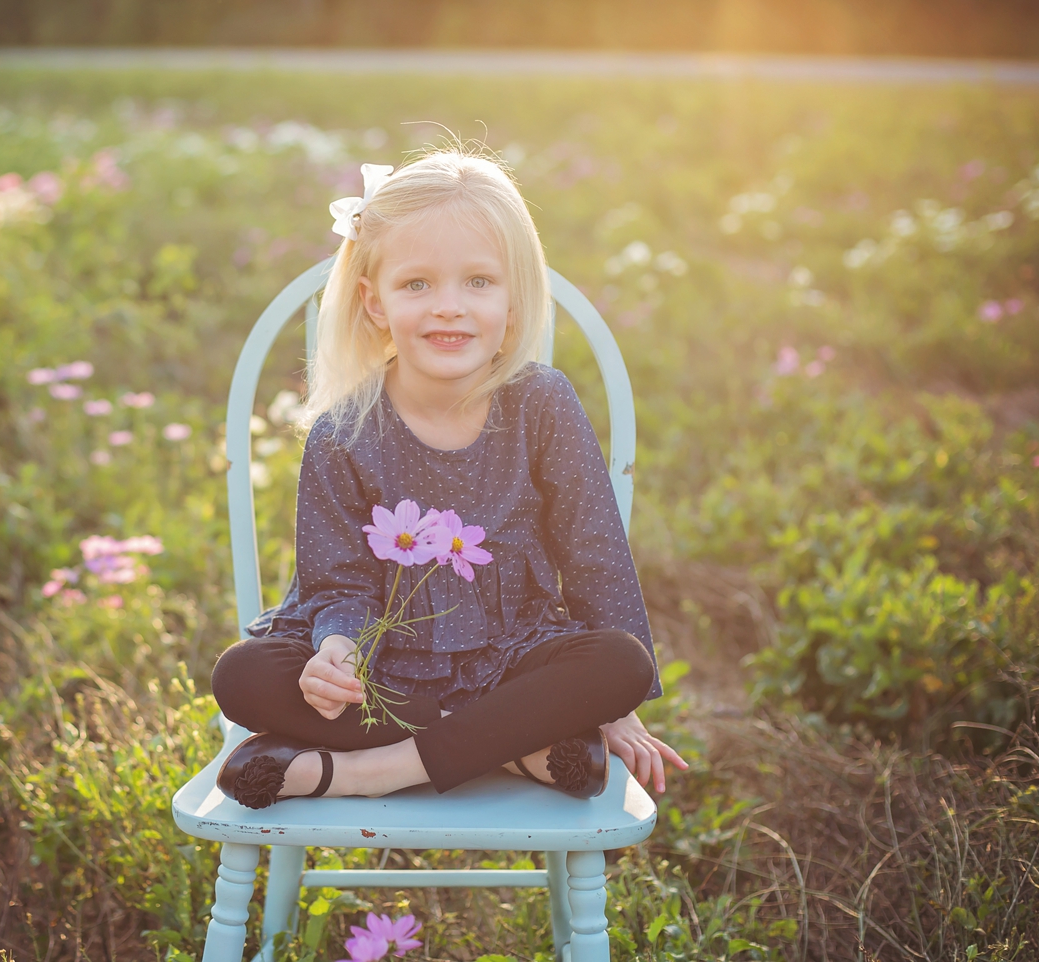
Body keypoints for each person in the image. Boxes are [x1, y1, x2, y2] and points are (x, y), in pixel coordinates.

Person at [212, 149, 687, 809]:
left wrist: (620, 706)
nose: (449, 309)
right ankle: (519, 745)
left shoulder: (541, 404)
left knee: (621, 666)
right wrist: (338, 653)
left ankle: (357, 773)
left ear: (514, 298)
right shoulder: (343, 431)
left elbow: (593, 553)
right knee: (244, 677)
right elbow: (338, 581)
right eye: (417, 286)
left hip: (514, 654)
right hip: (387, 672)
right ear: (374, 304)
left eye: (478, 283)